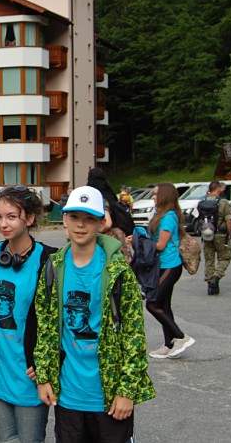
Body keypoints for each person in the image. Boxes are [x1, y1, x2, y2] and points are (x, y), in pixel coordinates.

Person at [35, 186, 155, 442]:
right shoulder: (53, 267)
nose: (81, 225)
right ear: (64, 220)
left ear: (102, 223)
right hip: (68, 396)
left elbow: (134, 334)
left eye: (89, 218)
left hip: (110, 397)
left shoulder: (118, 270)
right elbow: (44, 327)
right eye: (74, 217)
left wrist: (127, 390)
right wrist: (43, 377)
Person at [0, 186, 57, 443]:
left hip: (30, 373)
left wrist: (46, 362)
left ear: (29, 218)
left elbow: (55, 320)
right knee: (6, 440)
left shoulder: (49, 260)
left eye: (11, 217)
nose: (3, 224)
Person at [139, 183, 195, 359]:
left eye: (156, 194)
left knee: (152, 303)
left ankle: (181, 337)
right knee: (164, 306)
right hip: (162, 266)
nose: (153, 197)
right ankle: (169, 345)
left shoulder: (169, 217)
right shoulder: (160, 215)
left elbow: (160, 245)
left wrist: (140, 242)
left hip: (170, 266)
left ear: (164, 196)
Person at [202, 181, 231, 295]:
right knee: (225, 257)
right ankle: (216, 276)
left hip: (207, 234)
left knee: (209, 260)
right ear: (218, 189)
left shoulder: (204, 201)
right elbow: (229, 219)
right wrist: (229, 234)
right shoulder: (223, 202)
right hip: (221, 234)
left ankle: (210, 286)